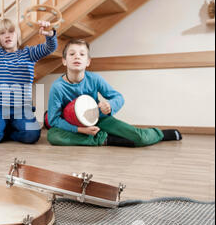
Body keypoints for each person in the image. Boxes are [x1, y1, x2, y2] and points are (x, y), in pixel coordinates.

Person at [46, 39, 182, 147]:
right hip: (73, 126)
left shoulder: (94, 79)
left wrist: (110, 105)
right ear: (64, 61)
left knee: (139, 138)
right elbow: (54, 120)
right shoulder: (57, 87)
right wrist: (80, 130)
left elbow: (118, 97)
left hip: (99, 119)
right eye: (72, 54)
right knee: (53, 136)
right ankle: (104, 139)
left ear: (88, 62)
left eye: (82, 54)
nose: (77, 57)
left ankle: (160, 134)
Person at [0, 4, 58, 144]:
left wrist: (50, 34)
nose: (7, 35)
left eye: (11, 31)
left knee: (32, 135)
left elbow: (50, 47)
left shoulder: (28, 54)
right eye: (2, 33)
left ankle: (9, 132)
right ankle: (3, 127)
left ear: (17, 35)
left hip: (21, 108)